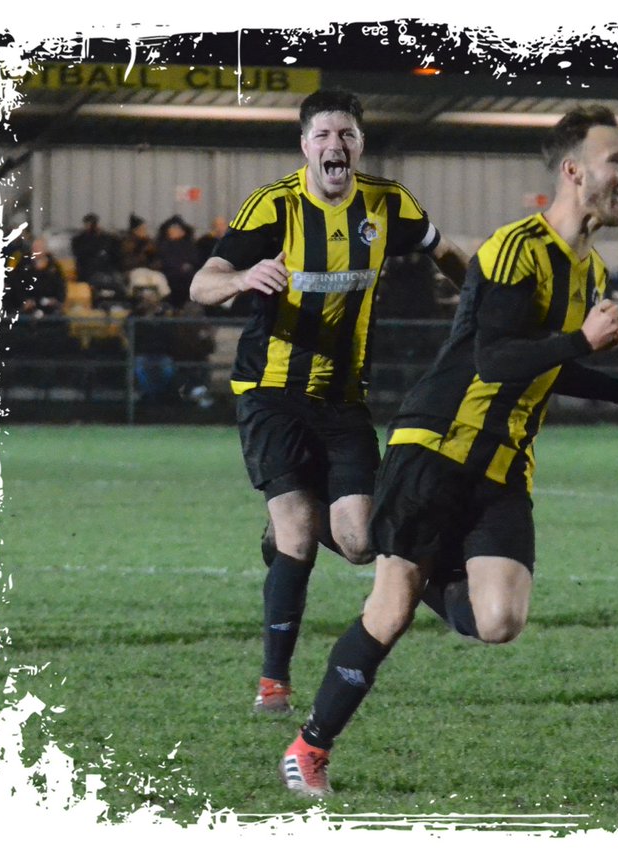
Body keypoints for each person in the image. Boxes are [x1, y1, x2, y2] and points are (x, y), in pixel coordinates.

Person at [278, 104, 618, 798]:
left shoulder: (590, 271)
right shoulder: (516, 248)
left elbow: (544, 364)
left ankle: (403, 554)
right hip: (438, 445)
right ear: (573, 171)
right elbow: (494, 358)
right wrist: (581, 341)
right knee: (391, 609)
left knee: (499, 620)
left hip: (504, 465)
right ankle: (308, 748)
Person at [189, 89, 469, 718]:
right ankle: (274, 684)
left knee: (362, 540)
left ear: (360, 145)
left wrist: (483, 302)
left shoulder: (389, 204)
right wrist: (242, 278)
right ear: (304, 145)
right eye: (322, 135)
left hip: (343, 397)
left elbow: (447, 253)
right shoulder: (274, 206)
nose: (334, 145)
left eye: (346, 135)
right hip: (270, 390)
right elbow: (202, 283)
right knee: (297, 536)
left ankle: (290, 513)